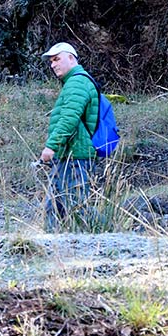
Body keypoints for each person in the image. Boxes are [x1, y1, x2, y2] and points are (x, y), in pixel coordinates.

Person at [39, 42, 99, 230]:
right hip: (69, 156)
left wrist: (51, 146)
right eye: (51, 61)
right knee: (56, 207)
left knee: (76, 206)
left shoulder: (77, 83)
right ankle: (52, 247)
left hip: (76, 157)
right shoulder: (74, 83)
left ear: (71, 58)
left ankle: (89, 244)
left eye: (57, 59)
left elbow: (69, 118)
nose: (53, 64)